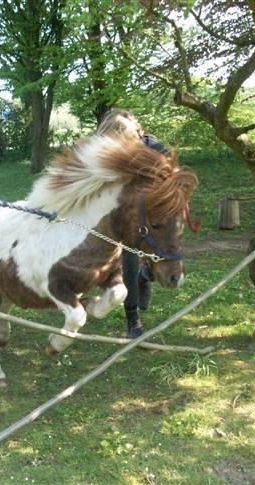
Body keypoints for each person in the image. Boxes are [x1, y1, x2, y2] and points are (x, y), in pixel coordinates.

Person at [96, 109, 171, 338]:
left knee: (168, 259)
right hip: (122, 207)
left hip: (152, 206)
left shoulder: (157, 150)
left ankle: (144, 277)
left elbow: (168, 182)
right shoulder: (107, 147)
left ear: (136, 133)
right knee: (128, 252)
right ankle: (133, 320)